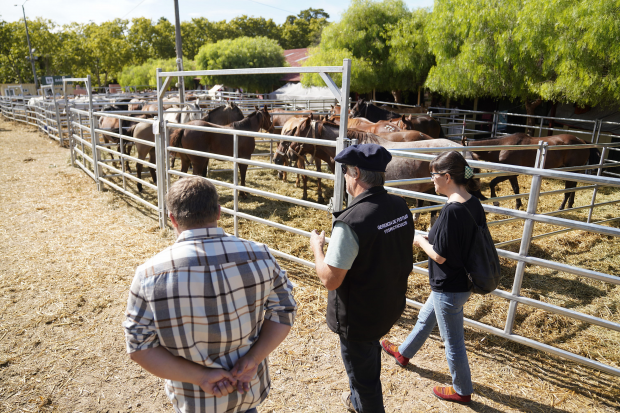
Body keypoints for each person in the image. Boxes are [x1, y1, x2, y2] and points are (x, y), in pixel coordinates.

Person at [123, 176, 297, 413]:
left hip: (196, 399)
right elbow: (284, 310)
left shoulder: (149, 275)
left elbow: (139, 346)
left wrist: (202, 377)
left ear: (172, 219)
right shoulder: (260, 256)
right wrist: (253, 358)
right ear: (218, 212)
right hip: (247, 388)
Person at [309, 144, 415, 413]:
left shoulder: (352, 221)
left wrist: (317, 248)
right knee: (368, 357)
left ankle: (364, 403)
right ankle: (357, 400)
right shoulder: (399, 206)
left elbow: (330, 279)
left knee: (364, 380)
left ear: (355, 173)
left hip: (359, 317)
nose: (344, 177)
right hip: (387, 304)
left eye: (345, 171)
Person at [381, 151, 483, 405]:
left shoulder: (451, 210)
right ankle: (404, 353)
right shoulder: (472, 202)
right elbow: (457, 242)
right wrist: (432, 237)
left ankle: (462, 390)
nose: (432, 180)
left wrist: (418, 241)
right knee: (426, 317)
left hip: (449, 285)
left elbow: (439, 256)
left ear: (447, 177)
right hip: (459, 282)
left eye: (434, 175)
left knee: (453, 342)